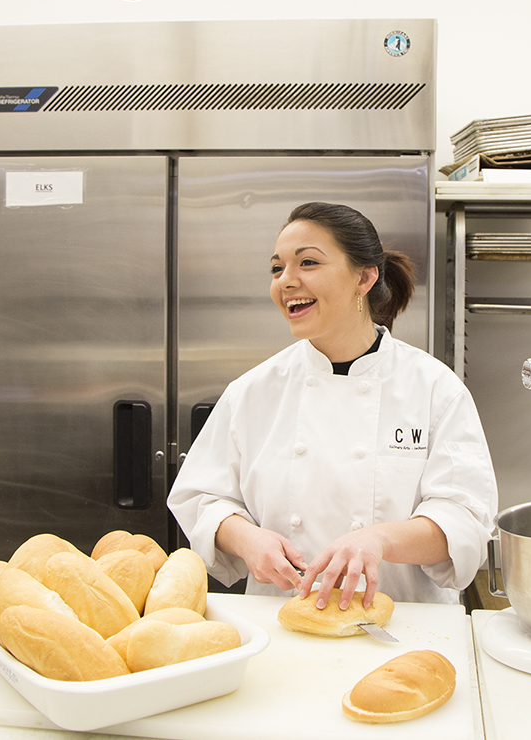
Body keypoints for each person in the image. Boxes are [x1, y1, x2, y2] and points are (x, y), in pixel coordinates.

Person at [168, 202, 497, 610]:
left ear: (364, 277)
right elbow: (201, 497)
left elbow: (464, 517)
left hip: (406, 627)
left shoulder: (434, 389)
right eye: (277, 268)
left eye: (307, 263)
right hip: (284, 621)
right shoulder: (253, 391)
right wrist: (248, 539)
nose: (286, 281)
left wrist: (379, 539)